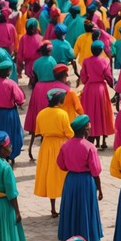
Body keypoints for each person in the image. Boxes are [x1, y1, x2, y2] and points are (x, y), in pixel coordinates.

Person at [56, 115, 103, 241]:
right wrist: (99, 188)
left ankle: (69, 232)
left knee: (71, 206)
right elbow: (96, 171)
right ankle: (87, 233)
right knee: (86, 207)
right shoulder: (89, 147)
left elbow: (61, 164)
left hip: (71, 179)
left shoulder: (65, 146)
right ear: (85, 130)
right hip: (86, 180)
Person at [33, 89, 75, 217]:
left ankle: (53, 208)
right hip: (60, 145)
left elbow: (38, 131)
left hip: (46, 146)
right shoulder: (62, 114)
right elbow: (69, 133)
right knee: (62, 175)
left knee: (50, 175)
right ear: (60, 100)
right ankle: (65, 206)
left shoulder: (41, 113)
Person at [80, 41, 115, 150]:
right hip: (101, 89)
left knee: (90, 113)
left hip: (89, 89)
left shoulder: (86, 61)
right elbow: (108, 76)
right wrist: (112, 85)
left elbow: (83, 77)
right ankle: (103, 139)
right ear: (101, 50)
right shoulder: (105, 61)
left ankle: (91, 137)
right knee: (102, 113)